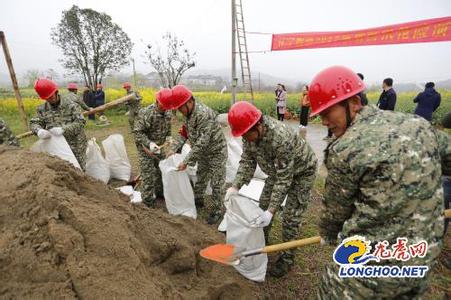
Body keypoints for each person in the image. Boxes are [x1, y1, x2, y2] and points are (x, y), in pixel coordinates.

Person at [307, 66, 450, 298]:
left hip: (371, 266)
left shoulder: (345, 148)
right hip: (421, 259)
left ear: (353, 102)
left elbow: (334, 215)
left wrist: (328, 235)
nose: (323, 122)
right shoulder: (418, 125)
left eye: (327, 114)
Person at [226, 101, 317, 277]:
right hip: (277, 172)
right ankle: (260, 243)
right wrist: (235, 186)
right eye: (242, 135)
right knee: (261, 209)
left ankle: (286, 259)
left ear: (258, 125)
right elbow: (247, 161)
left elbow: (285, 179)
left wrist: (272, 210)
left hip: (302, 172)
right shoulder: (249, 135)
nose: (245, 138)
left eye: (247, 134)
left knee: (290, 217)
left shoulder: (280, 138)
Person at [162, 85, 227, 225]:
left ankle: (218, 210)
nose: (180, 111)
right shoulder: (188, 114)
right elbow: (184, 133)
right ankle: (198, 199)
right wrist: (174, 148)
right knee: (201, 176)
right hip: (203, 152)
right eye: (178, 108)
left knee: (217, 182)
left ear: (190, 102)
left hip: (216, 151)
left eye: (181, 107)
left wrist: (186, 161)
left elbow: (202, 142)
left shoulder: (204, 114)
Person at [30, 78, 88, 170]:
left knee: (79, 170)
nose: (50, 100)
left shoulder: (71, 105)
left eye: (51, 97)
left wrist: (64, 129)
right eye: (47, 98)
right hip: (57, 147)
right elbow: (34, 123)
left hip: (76, 145)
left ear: (56, 92)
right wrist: (39, 131)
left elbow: (80, 122)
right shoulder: (42, 109)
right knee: (62, 171)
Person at [133, 88, 172, 208]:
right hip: (146, 149)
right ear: (157, 101)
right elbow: (138, 133)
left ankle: (160, 193)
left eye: (167, 106)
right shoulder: (146, 113)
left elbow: (168, 127)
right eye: (163, 105)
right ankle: (148, 202)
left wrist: (169, 137)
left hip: (159, 148)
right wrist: (149, 143)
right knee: (148, 176)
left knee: (162, 171)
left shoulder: (168, 112)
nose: (165, 108)